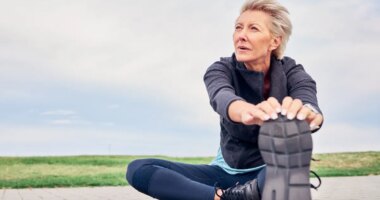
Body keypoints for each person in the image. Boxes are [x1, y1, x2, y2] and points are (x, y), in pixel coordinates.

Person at [126, 0, 324, 199]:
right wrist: (247, 111)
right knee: (139, 169)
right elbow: (222, 97)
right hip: (225, 174)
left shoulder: (291, 71)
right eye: (238, 28)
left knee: (284, 169)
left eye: (253, 28)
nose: (241, 35)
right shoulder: (220, 69)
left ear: (275, 41)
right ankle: (225, 198)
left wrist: (309, 114)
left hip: (269, 173)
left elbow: (307, 96)